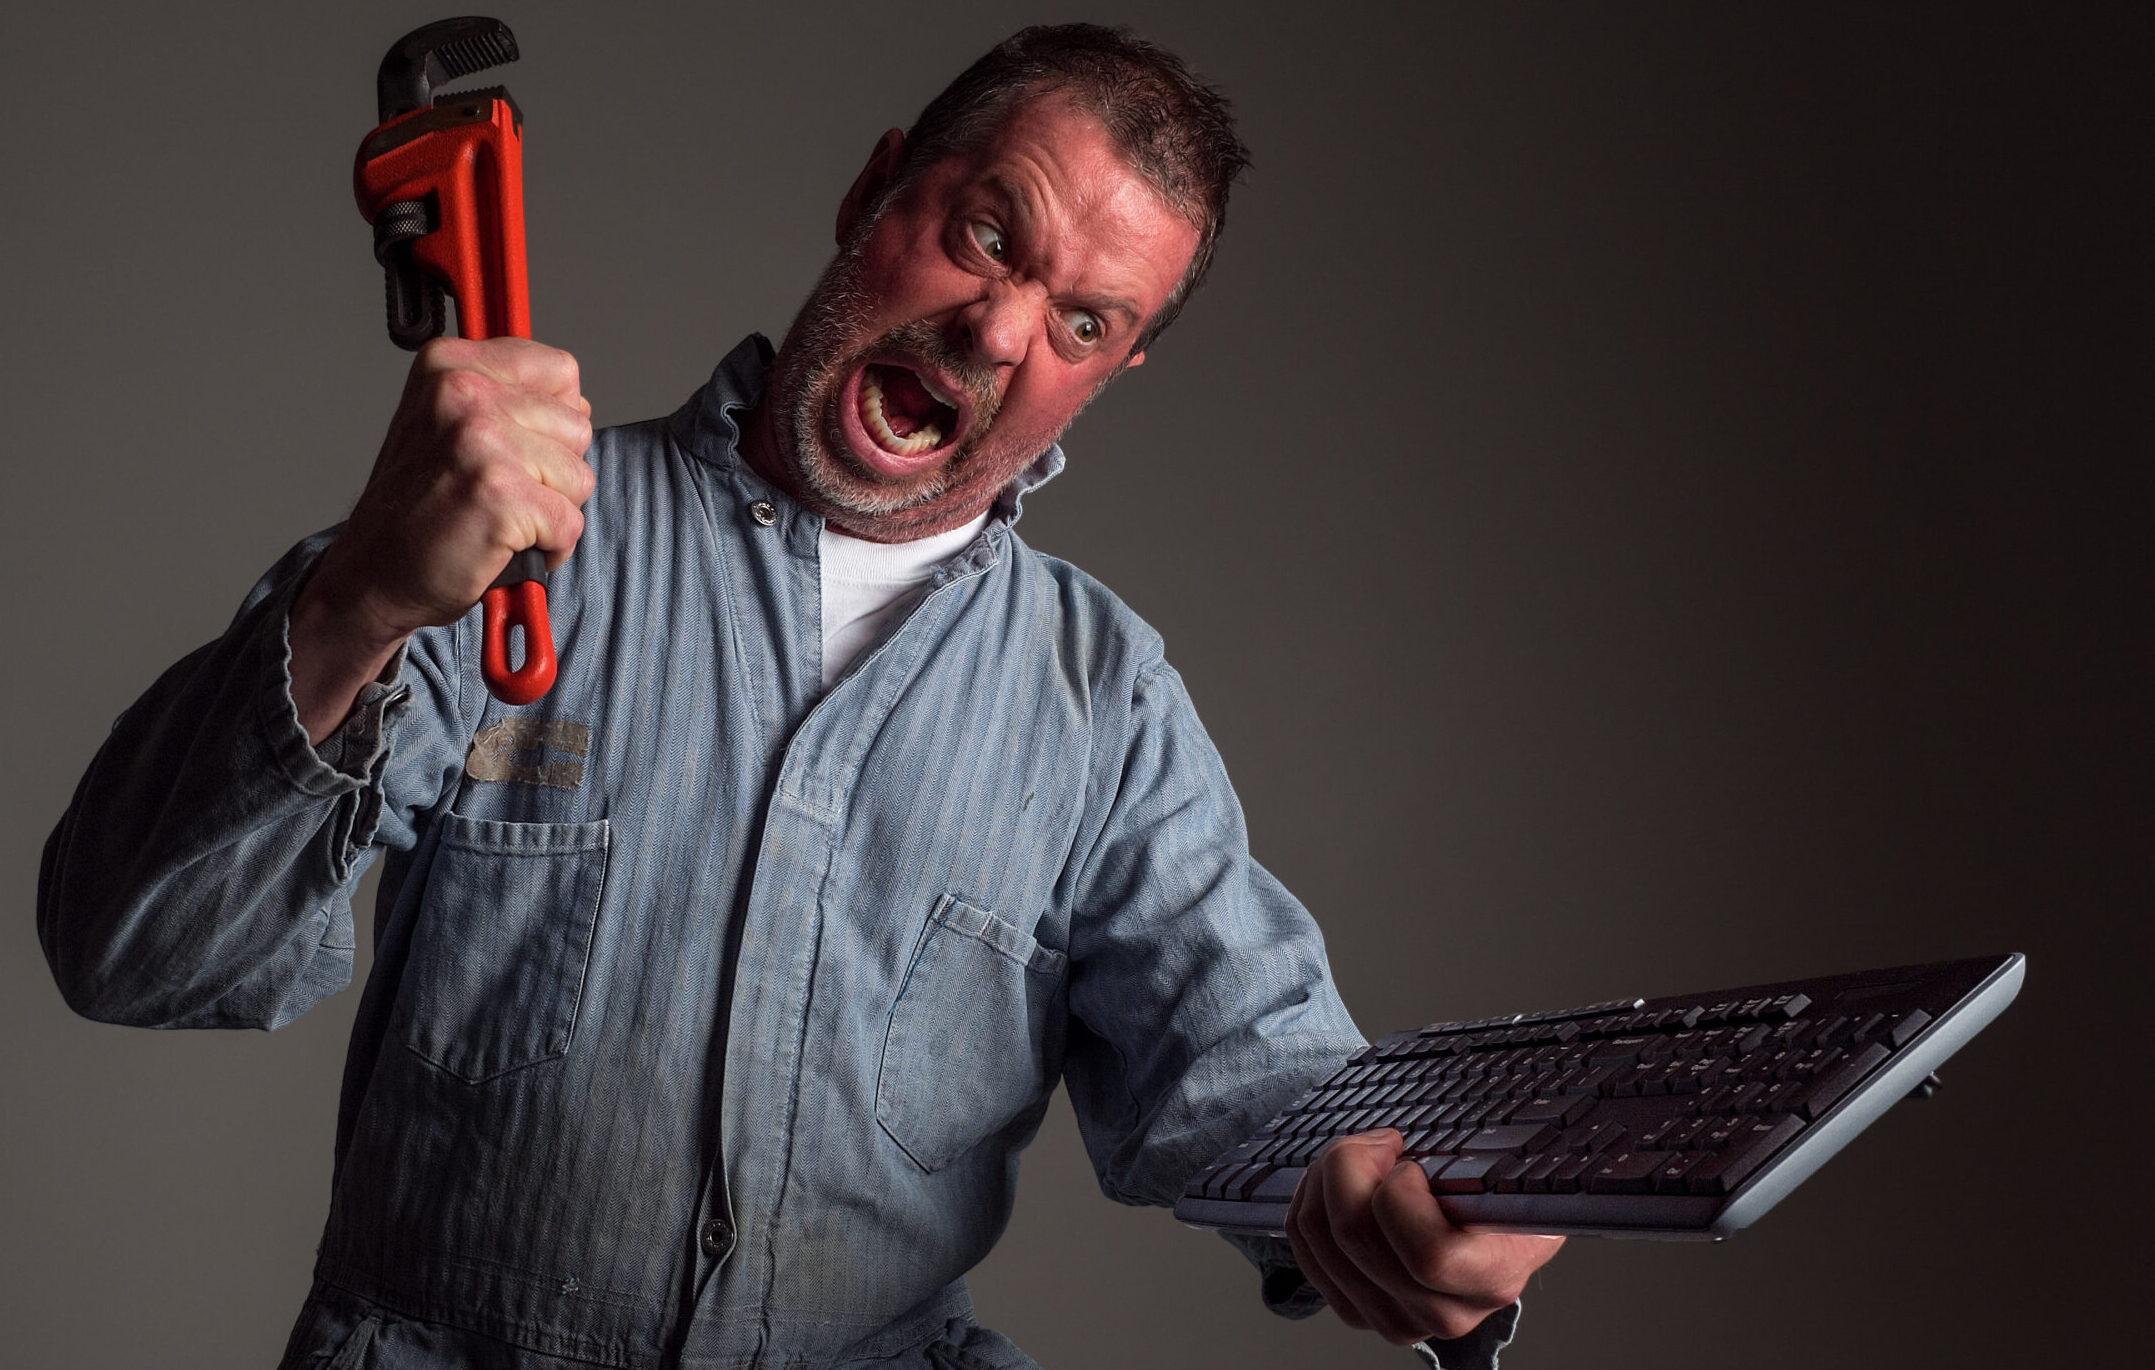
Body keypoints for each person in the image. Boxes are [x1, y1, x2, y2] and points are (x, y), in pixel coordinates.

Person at [39, 24, 1559, 1370]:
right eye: (986, 233)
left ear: (1116, 369)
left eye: (1084, 322)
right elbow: (135, 948)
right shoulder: (509, 547)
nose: (1002, 329)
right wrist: (367, 590)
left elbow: (1260, 1081)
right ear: (878, 190)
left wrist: (1411, 1202)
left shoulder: (1104, 707)